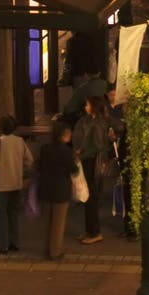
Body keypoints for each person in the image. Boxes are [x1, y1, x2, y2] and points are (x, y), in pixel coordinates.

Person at [0, 115, 34, 254]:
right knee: (13, 214)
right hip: (16, 183)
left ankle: (2, 245)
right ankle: (15, 242)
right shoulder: (20, 141)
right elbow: (29, 160)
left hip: (0, 185)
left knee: (1, 215)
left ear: (0, 128)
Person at [37, 120, 78, 260]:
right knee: (58, 223)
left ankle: (46, 248)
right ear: (64, 134)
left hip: (45, 188)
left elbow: (40, 166)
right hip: (60, 190)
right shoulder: (65, 151)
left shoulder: (44, 148)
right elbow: (73, 170)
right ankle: (55, 252)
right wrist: (76, 161)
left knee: (47, 221)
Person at [72, 96, 110, 244]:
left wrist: (80, 155)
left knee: (91, 197)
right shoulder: (95, 121)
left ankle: (95, 232)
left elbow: (96, 146)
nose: (85, 106)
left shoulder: (96, 124)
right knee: (89, 197)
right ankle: (90, 231)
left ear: (94, 106)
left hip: (92, 163)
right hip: (90, 162)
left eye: (87, 104)